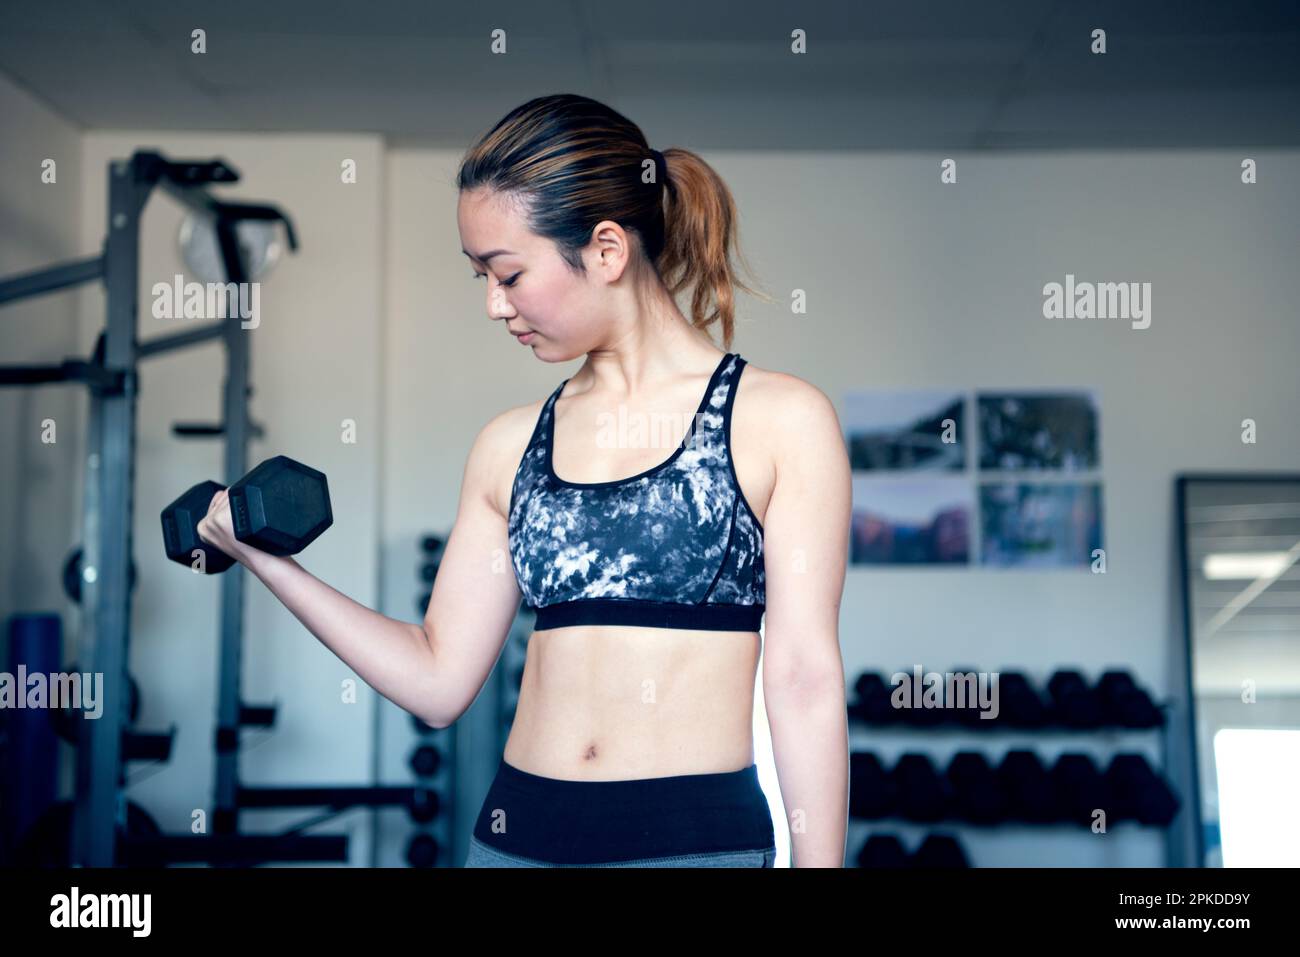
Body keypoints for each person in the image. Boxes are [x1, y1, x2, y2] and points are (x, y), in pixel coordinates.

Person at [198, 93, 851, 868]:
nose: (491, 303)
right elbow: (438, 679)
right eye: (480, 276)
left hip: (692, 843)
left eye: (507, 274)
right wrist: (268, 561)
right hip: (516, 838)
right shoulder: (509, 446)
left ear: (606, 251)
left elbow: (804, 679)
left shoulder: (778, 420)